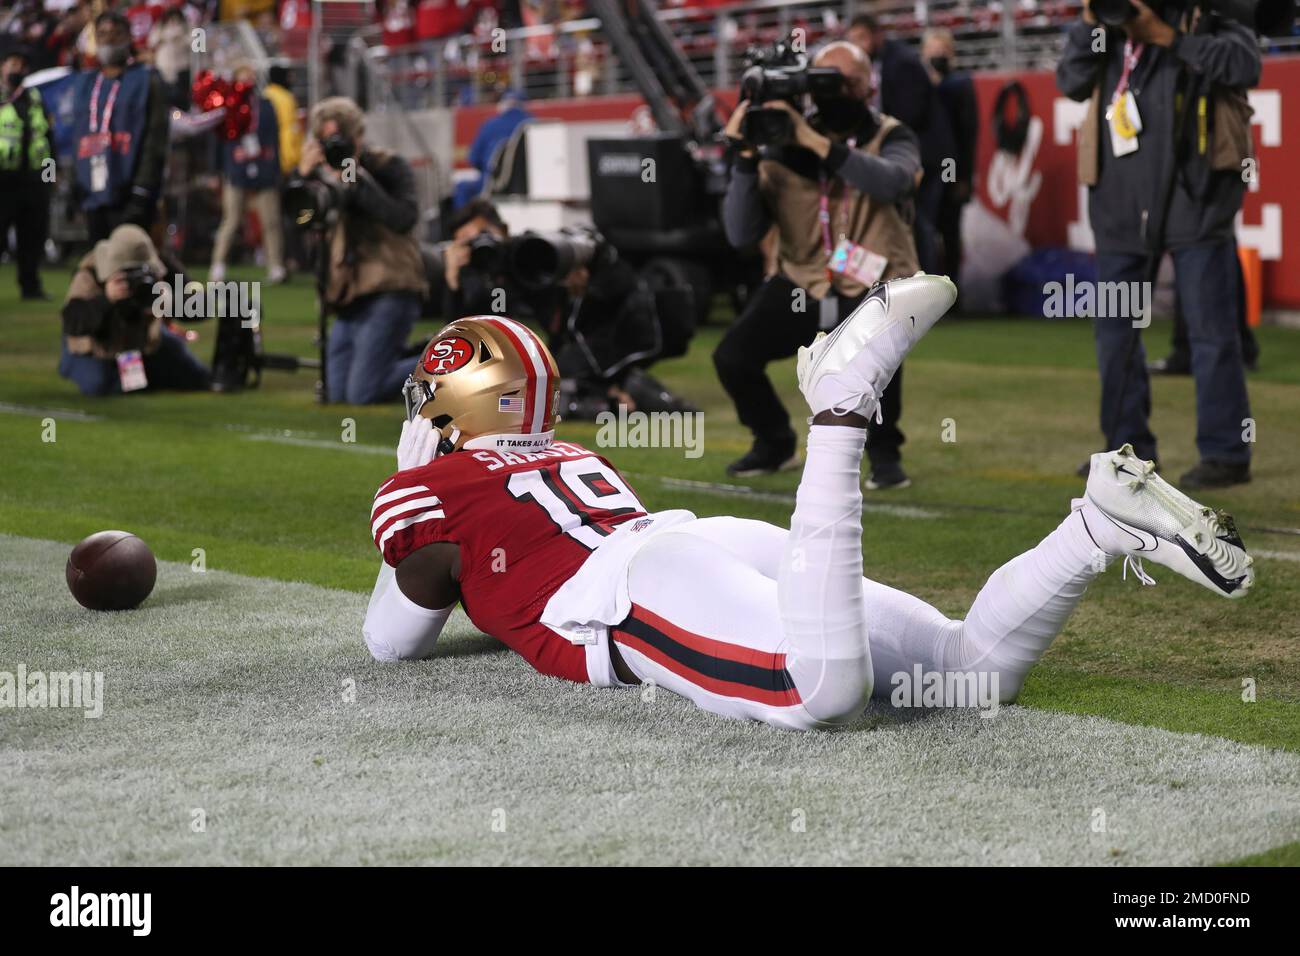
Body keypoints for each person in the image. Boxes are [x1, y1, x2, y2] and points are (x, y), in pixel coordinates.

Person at [359, 275, 1254, 732]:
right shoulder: (567, 451)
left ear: (452, 399)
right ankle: (1095, 524)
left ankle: (839, 405)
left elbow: (391, 643)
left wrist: (404, 507)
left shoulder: (431, 486)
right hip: (702, 542)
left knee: (814, 692)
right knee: (968, 672)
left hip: (627, 594)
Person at [1057, 0, 1258, 489]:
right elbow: (1070, 82)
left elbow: (1244, 65)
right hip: (1119, 211)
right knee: (1116, 332)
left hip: (1197, 204)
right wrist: (1090, 21)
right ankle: (1126, 448)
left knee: (1211, 334)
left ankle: (1226, 453)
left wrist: (1168, 37)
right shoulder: (1106, 32)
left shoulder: (1206, 18)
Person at [717, 41, 921, 488]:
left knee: (875, 369)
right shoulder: (780, 143)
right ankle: (773, 442)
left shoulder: (891, 134)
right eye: (829, 80)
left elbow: (892, 183)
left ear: (870, 85)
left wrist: (812, 141)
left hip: (875, 279)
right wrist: (746, 160)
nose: (839, 90)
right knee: (733, 357)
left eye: (850, 80)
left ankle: (885, 454)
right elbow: (740, 235)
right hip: (805, 278)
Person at [298, 96, 427, 404]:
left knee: (363, 393)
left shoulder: (387, 165)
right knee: (337, 391)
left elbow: (403, 219)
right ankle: (414, 355)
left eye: (339, 141)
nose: (333, 148)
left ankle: (450, 366)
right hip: (347, 295)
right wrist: (302, 178)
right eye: (325, 141)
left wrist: (356, 180)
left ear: (358, 137)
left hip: (391, 286)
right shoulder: (320, 178)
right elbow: (298, 225)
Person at [847, 13, 954, 278]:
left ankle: (927, 289)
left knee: (922, 224)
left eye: (861, 38)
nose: (856, 45)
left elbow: (911, 114)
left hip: (921, 158)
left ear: (876, 35)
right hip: (898, 157)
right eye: (852, 39)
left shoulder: (901, 63)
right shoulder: (879, 63)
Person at [59, 223, 211, 396]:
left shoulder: (159, 266)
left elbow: (203, 306)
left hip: (143, 343)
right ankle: (70, 364)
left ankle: (144, 375)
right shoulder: (91, 272)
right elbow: (71, 322)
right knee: (101, 386)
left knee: (198, 377)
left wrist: (170, 302)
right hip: (95, 347)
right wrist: (107, 299)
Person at [70, 10, 169, 242]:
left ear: (128, 37)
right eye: (102, 34)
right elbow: (77, 134)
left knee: (131, 265)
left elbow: (155, 139)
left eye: (116, 34)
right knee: (100, 265)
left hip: (130, 189)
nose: (109, 39)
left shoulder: (147, 80)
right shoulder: (85, 82)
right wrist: (76, 181)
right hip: (93, 188)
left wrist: (143, 188)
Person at [210, 63, 285, 284]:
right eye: (244, 76)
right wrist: (217, 171)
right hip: (236, 168)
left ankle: (275, 265)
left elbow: (274, 138)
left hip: (263, 168)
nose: (249, 80)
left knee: (271, 220)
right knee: (231, 220)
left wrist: (275, 167)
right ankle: (218, 264)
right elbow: (219, 139)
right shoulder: (228, 105)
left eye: (251, 76)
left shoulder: (266, 105)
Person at [922, 27, 978, 291]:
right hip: (925, 170)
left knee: (950, 231)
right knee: (925, 231)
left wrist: (964, 177)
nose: (938, 57)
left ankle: (953, 293)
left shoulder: (960, 85)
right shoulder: (918, 87)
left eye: (942, 52)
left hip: (952, 171)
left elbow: (968, 134)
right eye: (933, 52)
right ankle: (928, 292)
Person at [0, 39, 54, 301]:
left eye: (22, 65)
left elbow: (47, 138)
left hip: (33, 179)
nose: (17, 68)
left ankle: (31, 286)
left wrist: (49, 179)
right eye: (13, 63)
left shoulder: (34, 98)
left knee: (32, 236)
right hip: (3, 179)